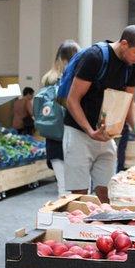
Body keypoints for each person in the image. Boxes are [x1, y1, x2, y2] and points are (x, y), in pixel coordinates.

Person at [64, 25, 135, 203]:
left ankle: (102, 228)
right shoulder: (94, 57)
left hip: (106, 134)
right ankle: (79, 229)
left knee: (107, 192)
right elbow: (72, 100)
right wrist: (89, 131)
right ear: (124, 44)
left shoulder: (131, 65)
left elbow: (129, 101)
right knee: (79, 194)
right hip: (80, 132)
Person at [40, 39, 81, 196]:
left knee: (62, 187)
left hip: (54, 136)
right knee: (79, 186)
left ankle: (61, 218)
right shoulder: (76, 79)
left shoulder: (48, 79)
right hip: (74, 136)